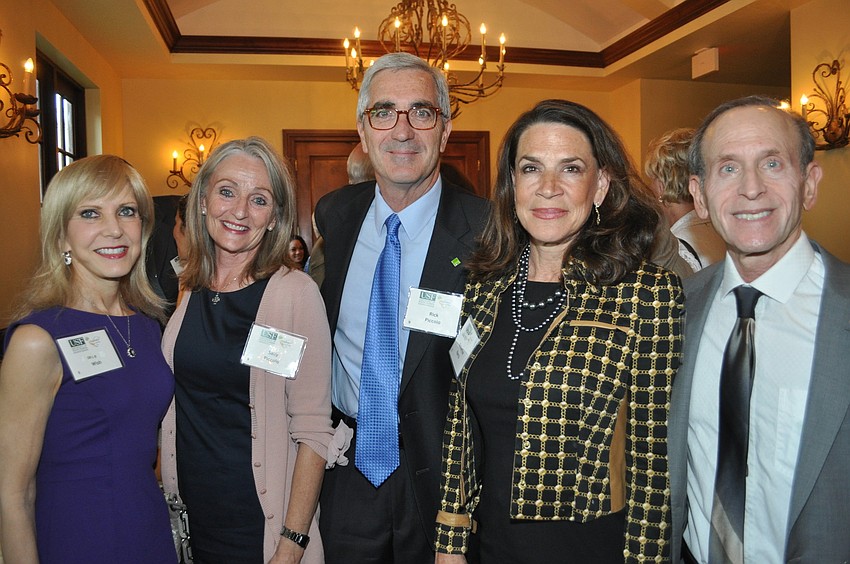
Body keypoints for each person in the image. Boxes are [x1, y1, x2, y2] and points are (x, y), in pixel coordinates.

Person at [435, 99, 684, 563]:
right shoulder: (483, 287)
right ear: (513, 184)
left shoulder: (646, 294)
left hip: (592, 550)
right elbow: (460, 427)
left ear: (600, 185)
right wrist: (450, 540)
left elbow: (654, 465)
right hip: (489, 548)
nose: (548, 188)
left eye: (570, 169)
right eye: (531, 168)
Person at [315, 52, 490, 563]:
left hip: (447, 480)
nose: (403, 130)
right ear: (363, 130)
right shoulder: (336, 216)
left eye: (422, 112)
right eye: (384, 112)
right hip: (345, 467)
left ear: (446, 130)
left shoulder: (489, 231)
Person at [669, 95, 850, 563]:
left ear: (809, 184)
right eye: (728, 168)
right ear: (699, 196)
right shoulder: (675, 311)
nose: (751, 188)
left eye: (772, 163)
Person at [159, 137, 349, 564]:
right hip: (192, 520)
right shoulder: (189, 286)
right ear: (203, 200)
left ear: (275, 216)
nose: (240, 211)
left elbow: (313, 431)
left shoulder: (295, 294)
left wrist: (292, 543)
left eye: (259, 199)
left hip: (260, 524)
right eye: (227, 191)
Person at [0, 155, 177, 563]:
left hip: (148, 532)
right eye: (90, 213)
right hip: (78, 539)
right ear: (61, 236)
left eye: (126, 211)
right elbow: (13, 494)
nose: (114, 229)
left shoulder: (148, 327)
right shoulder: (37, 340)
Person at [645, 128, 724, 272]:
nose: (649, 186)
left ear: (662, 186)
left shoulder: (675, 252)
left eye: (652, 178)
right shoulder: (723, 230)